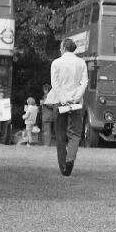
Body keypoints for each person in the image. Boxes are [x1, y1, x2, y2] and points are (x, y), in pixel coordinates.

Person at [48, 38, 88, 176]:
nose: (60, 49)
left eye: (60, 47)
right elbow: (84, 83)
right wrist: (76, 98)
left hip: (60, 102)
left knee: (60, 135)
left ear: (64, 47)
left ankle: (64, 167)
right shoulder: (82, 63)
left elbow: (55, 84)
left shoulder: (56, 63)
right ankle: (70, 158)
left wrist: (64, 99)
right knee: (75, 134)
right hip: (76, 103)